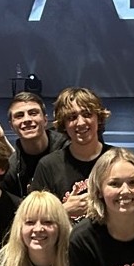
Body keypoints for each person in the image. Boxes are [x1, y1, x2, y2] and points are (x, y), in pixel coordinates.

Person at [30, 87, 114, 223]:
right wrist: (62, 211)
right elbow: (33, 218)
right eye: (72, 117)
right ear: (64, 124)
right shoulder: (48, 166)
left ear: (98, 118)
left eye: (87, 114)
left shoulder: (118, 160)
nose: (80, 123)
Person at [0, 92, 67, 196]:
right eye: (19, 116)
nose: (27, 119)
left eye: (33, 113)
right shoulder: (12, 170)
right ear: (11, 126)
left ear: (45, 120)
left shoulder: (69, 149)